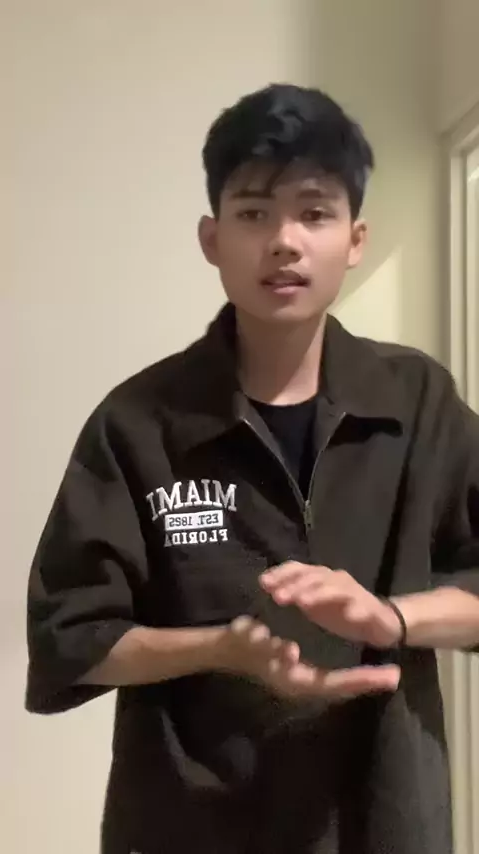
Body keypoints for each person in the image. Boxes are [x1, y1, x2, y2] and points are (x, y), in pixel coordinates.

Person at [26, 84, 479, 854]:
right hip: (189, 825)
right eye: (254, 213)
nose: (284, 242)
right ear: (212, 238)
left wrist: (392, 618)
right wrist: (221, 648)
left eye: (314, 212)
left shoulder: (418, 401)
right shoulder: (138, 422)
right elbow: (69, 637)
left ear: (355, 238)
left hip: (384, 818)